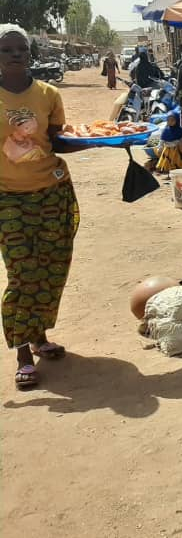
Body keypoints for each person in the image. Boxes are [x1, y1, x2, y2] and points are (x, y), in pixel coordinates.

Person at [0, 24, 80, 389]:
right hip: (9, 199)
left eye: (21, 48)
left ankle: (39, 336)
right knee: (22, 273)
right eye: (7, 49)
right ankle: (22, 354)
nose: (16, 54)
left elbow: (57, 142)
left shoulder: (48, 93)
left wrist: (108, 142)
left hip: (52, 192)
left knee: (51, 268)